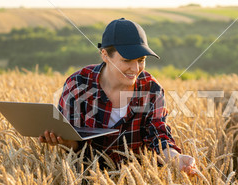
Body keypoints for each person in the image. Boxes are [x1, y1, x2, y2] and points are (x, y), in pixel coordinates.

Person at [39, 18, 197, 176]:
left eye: (141, 60)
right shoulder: (78, 84)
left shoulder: (151, 89)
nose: (135, 69)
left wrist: (175, 158)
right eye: (127, 60)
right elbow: (73, 141)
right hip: (86, 181)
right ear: (105, 55)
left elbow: (158, 134)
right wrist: (63, 142)